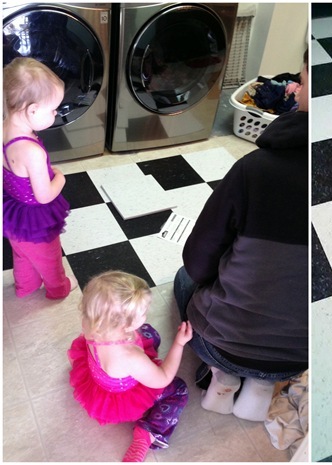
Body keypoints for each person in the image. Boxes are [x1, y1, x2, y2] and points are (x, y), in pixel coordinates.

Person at [173, 49, 309, 422]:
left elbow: (198, 261)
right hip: (298, 357)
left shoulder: (255, 170)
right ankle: (262, 388)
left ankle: (222, 374)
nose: (294, 88)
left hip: (222, 344)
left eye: (302, 77)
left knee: (184, 279)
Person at [67, 271, 192, 462]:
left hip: (100, 377)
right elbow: (164, 376)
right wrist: (179, 344)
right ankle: (148, 433)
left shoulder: (92, 324)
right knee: (179, 389)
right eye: (143, 312)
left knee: (148, 333)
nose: (146, 313)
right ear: (124, 325)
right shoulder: (130, 357)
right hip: (124, 399)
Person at [3, 57, 77, 299]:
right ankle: (59, 289)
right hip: (35, 216)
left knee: (21, 254)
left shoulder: (4, 129)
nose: (56, 113)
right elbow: (44, 196)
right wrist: (60, 178)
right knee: (49, 257)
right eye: (53, 109)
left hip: (13, 211)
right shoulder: (31, 151)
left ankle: (26, 287)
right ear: (32, 110)